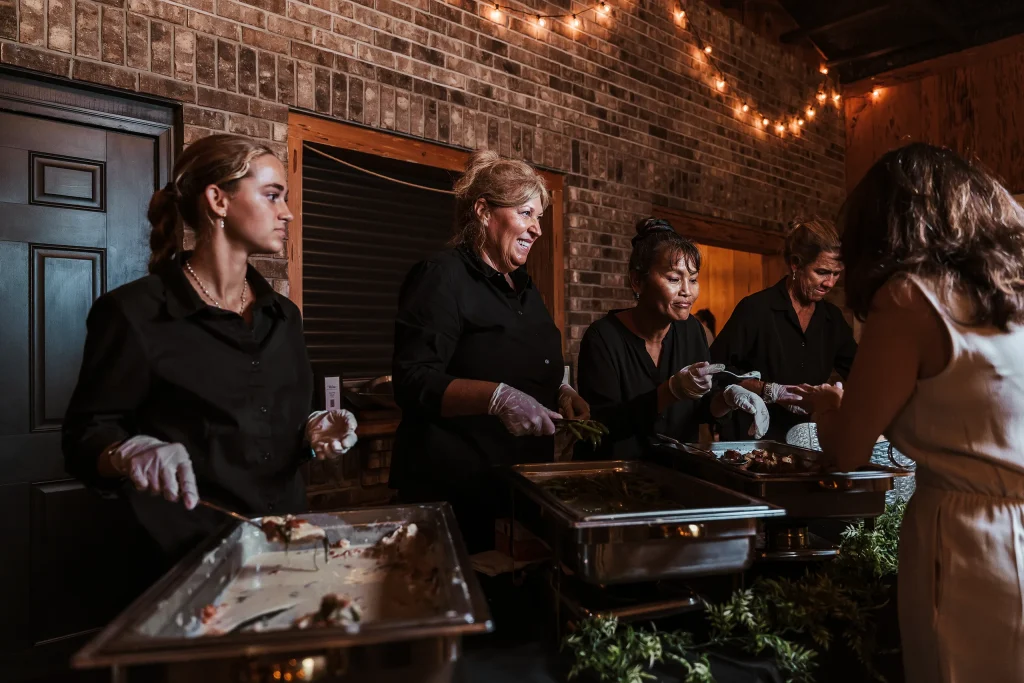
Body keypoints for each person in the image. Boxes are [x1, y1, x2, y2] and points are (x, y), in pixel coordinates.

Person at [62, 134, 358, 562]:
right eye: (273, 196)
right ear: (218, 200)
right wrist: (125, 454)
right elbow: (83, 439)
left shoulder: (284, 318)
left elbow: (271, 428)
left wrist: (313, 431)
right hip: (183, 560)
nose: (288, 213)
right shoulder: (133, 313)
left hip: (285, 548)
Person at [795, 143, 1024, 683]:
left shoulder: (910, 297)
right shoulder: (1011, 292)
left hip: (973, 539)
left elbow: (848, 451)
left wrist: (830, 407)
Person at [391, 150, 589, 552]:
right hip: (457, 488)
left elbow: (525, 361)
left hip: (520, 483)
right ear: (483, 211)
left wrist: (561, 392)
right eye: (525, 213)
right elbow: (413, 381)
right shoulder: (442, 276)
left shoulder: (525, 289)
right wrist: (495, 398)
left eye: (539, 218)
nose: (535, 229)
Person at [575, 218, 769, 460]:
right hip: (618, 476)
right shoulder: (603, 337)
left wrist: (728, 398)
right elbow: (601, 426)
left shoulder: (692, 331)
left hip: (677, 473)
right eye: (674, 279)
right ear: (637, 281)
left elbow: (701, 408)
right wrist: (671, 390)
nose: (687, 291)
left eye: (694, 279)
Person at [709, 220, 857, 441]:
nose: (830, 283)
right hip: (753, 439)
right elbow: (716, 371)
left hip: (806, 441)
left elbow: (859, 371)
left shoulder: (832, 319)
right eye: (822, 272)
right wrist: (769, 391)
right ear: (796, 264)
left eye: (837, 274)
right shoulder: (756, 309)